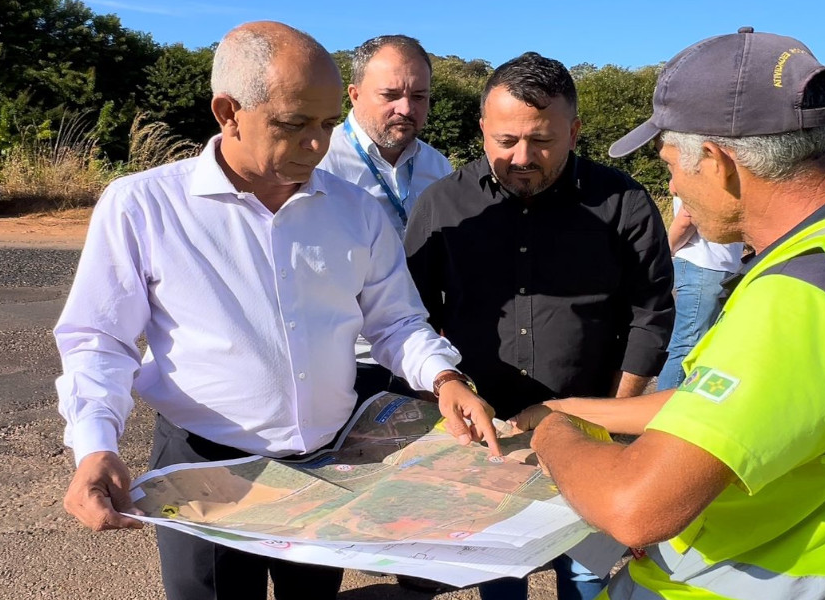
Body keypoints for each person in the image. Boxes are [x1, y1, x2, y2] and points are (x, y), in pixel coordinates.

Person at [54, 21, 497, 600]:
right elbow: (99, 340)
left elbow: (396, 322)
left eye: (327, 123)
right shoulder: (144, 206)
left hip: (325, 466)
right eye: (294, 124)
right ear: (227, 112)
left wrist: (443, 376)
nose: (318, 145)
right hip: (205, 471)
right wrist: (94, 445)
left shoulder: (355, 211)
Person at [515, 27, 825, 599]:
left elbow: (634, 507)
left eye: (670, 165)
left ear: (717, 161)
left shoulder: (801, 294)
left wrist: (555, 436)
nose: (672, 183)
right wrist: (565, 407)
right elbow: (727, 405)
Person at [405, 52, 675, 600]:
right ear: (483, 128)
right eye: (505, 141)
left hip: (588, 430)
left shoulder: (623, 202)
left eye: (542, 141)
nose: (522, 157)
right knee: (501, 576)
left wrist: (613, 416)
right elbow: (413, 314)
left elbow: (651, 312)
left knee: (585, 572)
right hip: (488, 436)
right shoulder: (443, 205)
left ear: (574, 131)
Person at [318, 34, 453, 402]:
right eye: (390, 95)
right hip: (343, 362)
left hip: (419, 356)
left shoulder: (437, 167)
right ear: (355, 94)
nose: (406, 108)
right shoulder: (317, 164)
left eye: (419, 97)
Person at [655, 197, 743, 390]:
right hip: (703, 265)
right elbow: (687, 218)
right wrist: (668, 247)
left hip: (715, 266)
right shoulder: (697, 171)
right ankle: (664, 412)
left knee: (700, 345)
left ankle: (680, 405)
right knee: (687, 344)